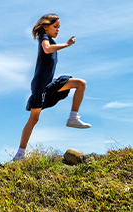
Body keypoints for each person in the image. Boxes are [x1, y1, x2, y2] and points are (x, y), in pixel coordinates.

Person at [13, 14, 90, 161]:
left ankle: (73, 118)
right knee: (34, 119)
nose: (58, 30)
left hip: (49, 83)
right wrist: (67, 45)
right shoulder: (44, 38)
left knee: (80, 83)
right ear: (45, 27)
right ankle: (20, 154)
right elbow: (47, 49)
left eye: (59, 27)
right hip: (40, 85)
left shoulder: (50, 40)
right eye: (55, 27)